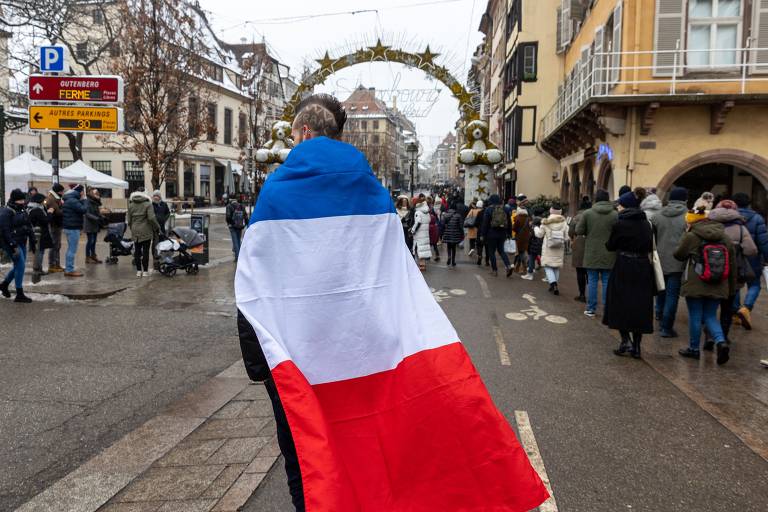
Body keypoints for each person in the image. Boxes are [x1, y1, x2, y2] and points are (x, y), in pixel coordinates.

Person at [235, 93, 548, 512]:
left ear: (305, 133)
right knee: (369, 439)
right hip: (367, 350)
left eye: (293, 137)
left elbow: (255, 285)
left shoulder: (275, 192)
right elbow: (394, 275)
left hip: (300, 353)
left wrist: (259, 364)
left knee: (306, 452)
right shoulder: (372, 192)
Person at [675, 205, 736, 365]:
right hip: (719, 283)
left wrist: (686, 236)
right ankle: (721, 342)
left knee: (695, 315)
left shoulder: (692, 236)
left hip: (696, 283)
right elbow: (733, 264)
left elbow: (678, 255)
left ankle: (694, 349)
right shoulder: (725, 237)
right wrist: (731, 287)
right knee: (710, 316)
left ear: (691, 221)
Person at [603, 189, 655, 358]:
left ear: (625, 207)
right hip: (642, 267)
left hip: (624, 265)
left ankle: (625, 340)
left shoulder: (620, 224)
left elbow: (610, 245)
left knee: (619, 302)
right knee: (639, 305)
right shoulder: (646, 224)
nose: (618, 208)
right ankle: (637, 347)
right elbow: (650, 246)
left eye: (620, 205)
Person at [707, 200, 757, 344]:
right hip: (733, 275)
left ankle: (709, 337)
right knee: (727, 308)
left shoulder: (710, 225)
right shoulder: (741, 229)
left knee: (710, 309)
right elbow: (751, 250)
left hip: (713, 272)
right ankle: (723, 336)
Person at [651, 187, 689, 338]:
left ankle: (659, 314)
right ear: (685, 199)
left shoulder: (657, 215)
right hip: (678, 261)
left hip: (659, 259)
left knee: (660, 289)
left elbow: (652, 238)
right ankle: (666, 327)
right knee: (672, 295)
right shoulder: (688, 216)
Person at [576, 189, 618, 318]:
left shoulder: (588, 213)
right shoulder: (615, 214)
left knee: (592, 281)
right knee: (606, 282)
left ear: (596, 199)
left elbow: (579, 230)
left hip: (591, 252)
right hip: (610, 253)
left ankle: (591, 309)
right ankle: (607, 310)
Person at [732, 192, 768, 330]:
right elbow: (763, 241)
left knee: (735, 284)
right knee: (754, 284)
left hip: (735, 256)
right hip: (753, 256)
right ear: (749, 203)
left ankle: (735, 313)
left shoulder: (730, 217)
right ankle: (746, 308)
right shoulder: (757, 218)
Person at [0, 189, 34, 302]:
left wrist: (32, 239)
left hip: (22, 241)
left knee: (19, 266)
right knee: (20, 266)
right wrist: (12, 245)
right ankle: (19, 293)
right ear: (14, 200)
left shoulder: (21, 209)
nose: (23, 201)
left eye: (23, 199)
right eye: (20, 200)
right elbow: (5, 231)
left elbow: (27, 224)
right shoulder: (6, 211)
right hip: (12, 243)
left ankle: (4, 285)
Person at [127, 187, 160, 277]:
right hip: (146, 230)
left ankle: (138, 271)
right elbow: (151, 218)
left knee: (137, 251)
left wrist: (132, 228)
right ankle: (145, 271)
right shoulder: (148, 204)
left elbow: (129, 220)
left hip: (135, 229)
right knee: (145, 251)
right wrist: (157, 227)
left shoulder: (131, 204)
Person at [535, 205, 568, 295]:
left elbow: (539, 235)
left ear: (551, 211)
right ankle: (554, 284)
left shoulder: (546, 222)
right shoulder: (564, 223)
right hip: (559, 248)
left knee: (547, 266)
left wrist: (536, 228)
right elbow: (566, 237)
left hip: (548, 248)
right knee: (556, 267)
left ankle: (553, 283)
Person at [481, 194, 513, 277]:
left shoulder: (488, 209)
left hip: (491, 234)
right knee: (501, 251)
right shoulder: (505, 209)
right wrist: (509, 233)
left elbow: (485, 223)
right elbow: (509, 223)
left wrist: (483, 234)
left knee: (491, 252)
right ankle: (508, 266)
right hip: (502, 234)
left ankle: (494, 270)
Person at [61, 184, 88, 277]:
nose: (83, 194)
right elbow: (83, 209)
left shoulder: (69, 199)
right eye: (83, 192)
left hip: (69, 226)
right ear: (80, 192)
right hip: (72, 227)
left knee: (70, 249)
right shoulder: (73, 201)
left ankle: (69, 268)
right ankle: (69, 269)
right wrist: (84, 200)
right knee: (72, 249)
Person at [26, 192, 53, 280]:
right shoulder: (37, 210)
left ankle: (38, 268)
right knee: (40, 251)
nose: (44, 202)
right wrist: (50, 213)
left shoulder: (31, 208)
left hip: (36, 233)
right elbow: (45, 220)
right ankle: (38, 269)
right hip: (40, 234)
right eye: (43, 200)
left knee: (39, 251)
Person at [569, 197, 591, 302]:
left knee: (580, 271)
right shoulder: (593, 215)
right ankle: (592, 294)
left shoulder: (576, 217)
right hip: (591, 245)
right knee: (591, 272)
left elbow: (571, 232)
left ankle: (582, 294)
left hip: (579, 245)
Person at [44, 183, 65, 273]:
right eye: (61, 191)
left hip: (56, 224)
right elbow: (58, 212)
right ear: (58, 191)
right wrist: (64, 207)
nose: (62, 193)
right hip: (54, 224)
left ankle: (56, 264)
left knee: (57, 245)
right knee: (55, 245)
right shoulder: (52, 198)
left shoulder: (55, 197)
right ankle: (52, 265)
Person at [83, 188, 105, 264]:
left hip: (95, 224)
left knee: (94, 241)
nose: (98, 195)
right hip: (89, 224)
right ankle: (87, 257)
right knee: (90, 241)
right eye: (96, 193)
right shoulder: (87, 201)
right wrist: (97, 218)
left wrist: (102, 217)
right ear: (92, 194)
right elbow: (87, 213)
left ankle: (93, 256)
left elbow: (97, 212)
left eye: (98, 193)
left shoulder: (95, 202)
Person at [411, 196, 432, 271]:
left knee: (419, 249)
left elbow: (418, 222)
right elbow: (429, 220)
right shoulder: (426, 212)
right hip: (425, 233)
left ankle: (421, 265)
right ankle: (423, 264)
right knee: (423, 249)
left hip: (419, 234)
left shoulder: (418, 212)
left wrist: (412, 230)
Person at [441, 201, 464, 268]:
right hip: (455, 234)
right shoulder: (458, 215)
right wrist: (462, 234)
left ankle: (449, 257)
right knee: (454, 247)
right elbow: (460, 226)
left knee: (448, 246)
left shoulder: (445, 215)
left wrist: (442, 233)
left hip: (447, 233)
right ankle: (453, 261)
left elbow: (442, 224)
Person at [225, 196, 247, 260]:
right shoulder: (241, 206)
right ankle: (241, 255)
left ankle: (238, 257)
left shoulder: (229, 206)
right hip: (240, 226)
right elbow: (245, 216)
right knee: (238, 240)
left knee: (235, 242)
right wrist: (245, 224)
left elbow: (228, 217)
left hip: (232, 226)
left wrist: (231, 223)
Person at [513, 203, 531, 274]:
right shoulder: (528, 218)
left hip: (519, 237)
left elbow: (514, 228)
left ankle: (524, 268)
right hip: (527, 237)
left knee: (521, 252)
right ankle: (517, 267)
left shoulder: (518, 218)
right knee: (522, 251)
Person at [426, 196, 441, 262]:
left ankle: (428, 256)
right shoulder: (432, 208)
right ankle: (437, 255)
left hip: (429, 226)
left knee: (429, 243)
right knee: (434, 244)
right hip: (434, 226)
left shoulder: (429, 209)